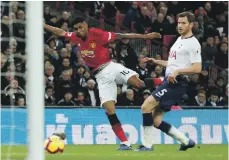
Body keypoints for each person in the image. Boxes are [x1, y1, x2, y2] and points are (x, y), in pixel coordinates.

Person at [44, 17, 161, 150]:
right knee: (109, 110)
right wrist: (43, 25)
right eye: (76, 29)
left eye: (80, 27)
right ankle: (125, 142)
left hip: (111, 67)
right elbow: (60, 32)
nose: (79, 31)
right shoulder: (76, 37)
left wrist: (145, 36)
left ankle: (162, 80)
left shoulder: (98, 34)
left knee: (139, 84)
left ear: (86, 25)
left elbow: (120, 35)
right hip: (100, 76)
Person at [136, 11, 202, 151]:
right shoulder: (179, 39)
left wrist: (177, 72)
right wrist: (156, 61)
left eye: (183, 23)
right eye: (179, 22)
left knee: (145, 106)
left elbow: (197, 68)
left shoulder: (193, 43)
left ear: (191, 24)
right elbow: (173, 64)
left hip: (177, 83)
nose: (180, 25)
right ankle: (186, 141)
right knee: (155, 120)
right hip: (170, 80)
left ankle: (147, 145)